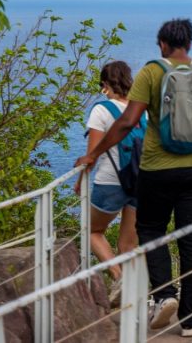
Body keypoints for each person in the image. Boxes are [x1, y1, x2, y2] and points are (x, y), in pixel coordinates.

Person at [75, 18, 192, 338]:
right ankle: (191, 322)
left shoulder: (151, 73)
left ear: (162, 44)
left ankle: (165, 295)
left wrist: (94, 155)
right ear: (189, 43)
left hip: (156, 169)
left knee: (150, 230)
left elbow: (126, 123)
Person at [74, 60, 140, 306]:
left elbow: (92, 155)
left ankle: (119, 278)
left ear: (105, 84)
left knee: (91, 230)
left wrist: (80, 180)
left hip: (111, 181)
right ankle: (132, 295)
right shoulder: (140, 109)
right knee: (128, 245)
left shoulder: (101, 110)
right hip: (140, 181)